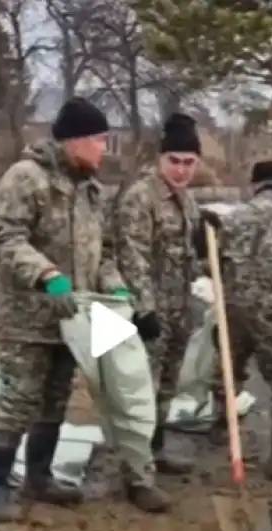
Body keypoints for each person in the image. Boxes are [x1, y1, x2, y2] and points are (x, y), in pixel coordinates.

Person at [0, 96, 170, 520]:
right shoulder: (25, 178)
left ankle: (39, 477)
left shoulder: (89, 189)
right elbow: (6, 237)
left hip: (73, 319)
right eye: (101, 140)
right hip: (27, 315)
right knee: (19, 396)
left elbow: (102, 253)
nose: (106, 149)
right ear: (76, 141)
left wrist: (121, 295)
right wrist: (47, 275)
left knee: (55, 398)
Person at [194, 161, 272, 481]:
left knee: (228, 364)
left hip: (232, 306)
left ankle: (221, 425)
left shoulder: (232, 220)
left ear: (254, 186)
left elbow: (211, 265)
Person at [113, 112, 205, 476]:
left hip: (179, 308)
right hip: (147, 314)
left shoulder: (188, 202)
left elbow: (187, 259)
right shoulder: (141, 197)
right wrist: (144, 309)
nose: (182, 170)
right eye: (175, 161)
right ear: (160, 159)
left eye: (189, 162)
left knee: (167, 385)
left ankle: (155, 449)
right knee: (141, 390)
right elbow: (130, 254)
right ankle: (135, 468)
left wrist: (203, 240)